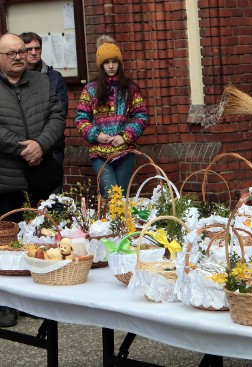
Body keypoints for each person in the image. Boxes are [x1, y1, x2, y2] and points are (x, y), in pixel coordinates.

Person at [0, 33, 65, 327]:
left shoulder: (41, 81)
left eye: (21, 51)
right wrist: (22, 148)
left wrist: (41, 144)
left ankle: (35, 301)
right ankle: (4, 305)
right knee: (5, 242)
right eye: (10, 53)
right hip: (5, 178)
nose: (18, 57)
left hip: (40, 176)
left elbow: (57, 115)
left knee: (36, 239)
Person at [74, 35, 148, 197]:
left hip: (124, 151)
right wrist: (97, 135)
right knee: (110, 195)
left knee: (121, 196)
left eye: (114, 62)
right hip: (99, 152)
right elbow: (81, 119)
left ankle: (121, 223)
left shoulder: (129, 88)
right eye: (107, 63)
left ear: (119, 64)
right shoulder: (91, 89)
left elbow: (141, 116)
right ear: (101, 65)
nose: (111, 66)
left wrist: (125, 136)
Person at [19, 32, 69, 195]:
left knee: (54, 199)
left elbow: (60, 111)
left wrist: (41, 141)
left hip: (53, 147)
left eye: (37, 48)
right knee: (27, 199)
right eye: (29, 49)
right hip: (25, 150)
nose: (33, 52)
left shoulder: (54, 77)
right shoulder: (14, 80)